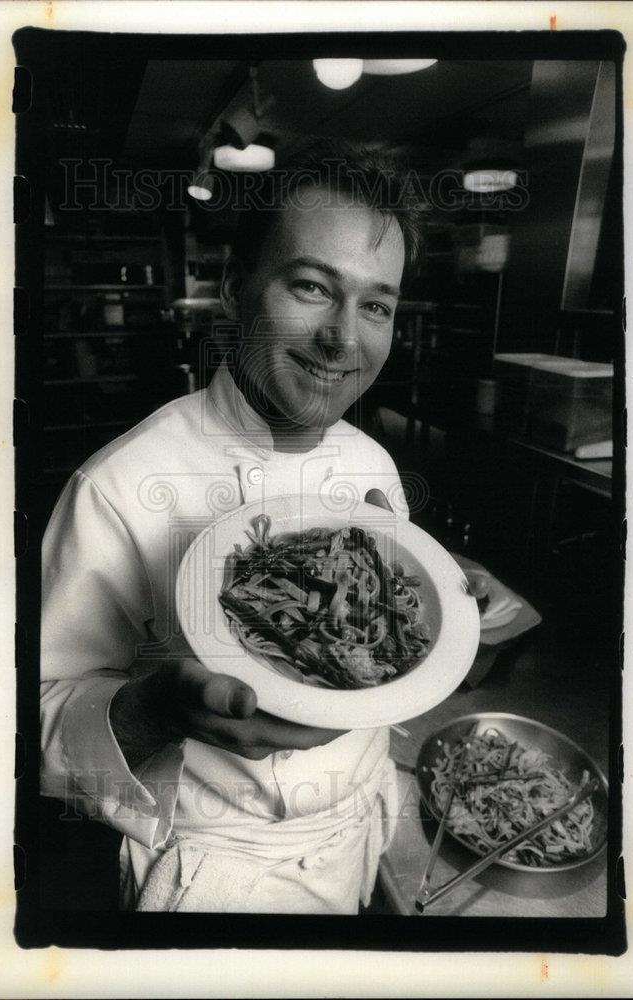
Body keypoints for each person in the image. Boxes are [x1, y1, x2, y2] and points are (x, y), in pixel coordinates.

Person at [40, 140, 462, 913]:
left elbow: (386, 646)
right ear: (236, 289)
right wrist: (155, 710)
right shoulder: (119, 484)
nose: (344, 337)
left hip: (361, 823)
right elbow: (29, 718)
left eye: (376, 304)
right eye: (311, 286)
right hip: (215, 873)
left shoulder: (373, 465)